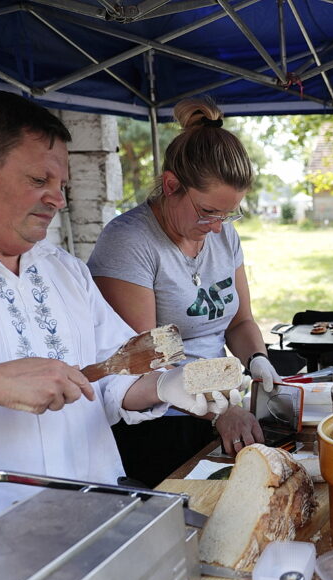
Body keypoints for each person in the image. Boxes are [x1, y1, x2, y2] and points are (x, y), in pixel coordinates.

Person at [0, 90, 220, 572]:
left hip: (92, 533)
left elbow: (109, 376)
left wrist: (166, 386)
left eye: (62, 183)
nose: (58, 198)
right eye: (39, 179)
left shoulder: (65, 271)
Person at [88, 97, 278, 486]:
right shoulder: (130, 243)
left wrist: (257, 360)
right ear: (172, 185)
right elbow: (142, 363)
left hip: (221, 405)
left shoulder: (224, 235)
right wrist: (219, 411)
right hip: (158, 421)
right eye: (207, 211)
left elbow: (240, 320)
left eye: (228, 213)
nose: (216, 227)